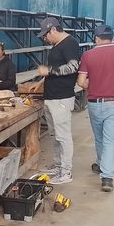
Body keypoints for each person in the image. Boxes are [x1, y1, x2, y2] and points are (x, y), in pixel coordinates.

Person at [77, 25, 114, 192]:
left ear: (96, 38)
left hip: (95, 103)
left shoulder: (88, 55)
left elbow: (81, 82)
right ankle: (107, 177)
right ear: (112, 38)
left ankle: (101, 164)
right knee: (110, 141)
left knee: (99, 138)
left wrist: (94, 85)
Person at [36, 17, 80, 185]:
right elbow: (53, 70)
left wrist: (49, 71)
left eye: (45, 35)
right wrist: (41, 81)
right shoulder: (57, 45)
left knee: (63, 136)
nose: (45, 38)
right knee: (55, 135)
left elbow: (73, 67)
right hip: (52, 95)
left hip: (61, 97)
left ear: (53, 29)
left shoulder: (70, 43)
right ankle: (58, 165)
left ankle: (66, 172)